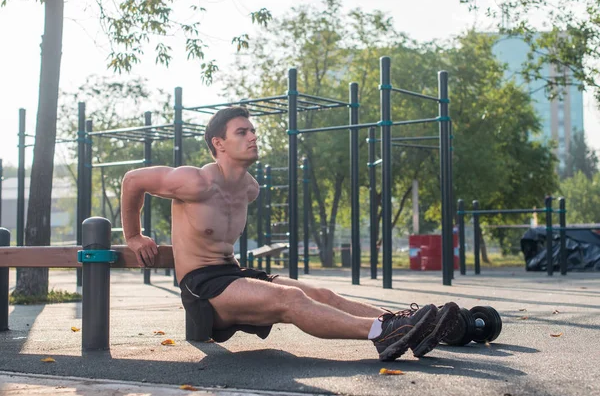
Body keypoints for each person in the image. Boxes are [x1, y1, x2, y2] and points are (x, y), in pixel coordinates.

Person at [120, 107, 459, 361]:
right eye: (242, 132)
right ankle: (382, 333)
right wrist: (134, 236)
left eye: (253, 130)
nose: (253, 136)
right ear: (218, 143)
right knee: (292, 301)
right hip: (203, 286)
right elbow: (133, 180)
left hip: (234, 273)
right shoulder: (194, 181)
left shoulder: (249, 188)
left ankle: (413, 324)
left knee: (324, 293)